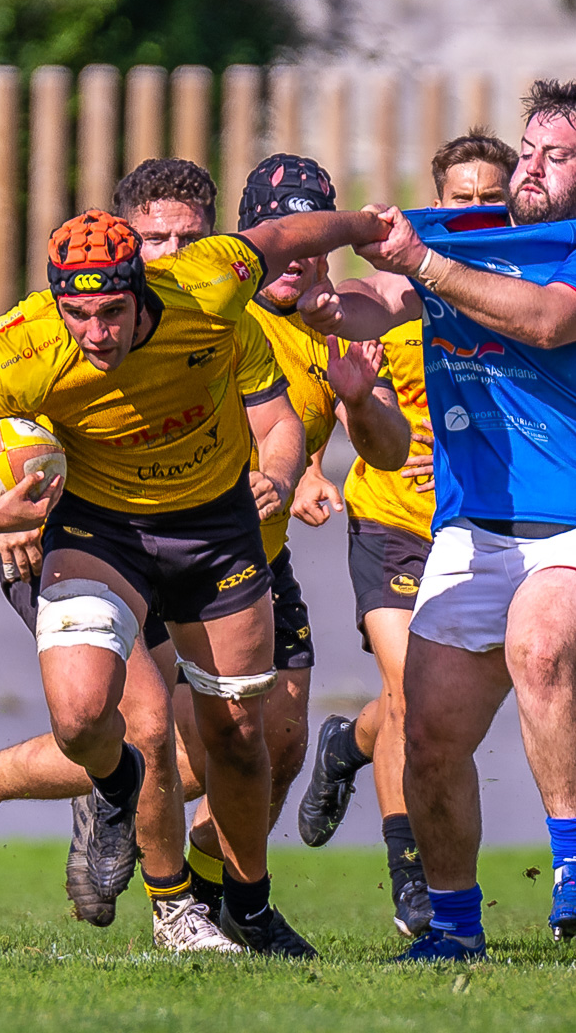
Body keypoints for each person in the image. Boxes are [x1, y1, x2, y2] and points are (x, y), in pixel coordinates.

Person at [0, 201, 383, 957]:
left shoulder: (207, 289)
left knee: (239, 736)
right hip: (101, 532)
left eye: (112, 312)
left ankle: (239, 909)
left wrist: (361, 225)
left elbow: (282, 237)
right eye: (78, 313)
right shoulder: (30, 343)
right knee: (93, 720)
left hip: (215, 532)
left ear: (142, 289)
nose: (96, 333)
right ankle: (115, 785)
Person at [302, 81, 576, 961]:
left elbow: (544, 321)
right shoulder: (460, 235)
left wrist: (420, 263)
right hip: (477, 530)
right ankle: (455, 936)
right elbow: (370, 305)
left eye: (560, 155)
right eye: (530, 149)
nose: (534, 168)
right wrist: (307, 300)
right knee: (425, 731)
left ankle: (575, 875)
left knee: (538, 646)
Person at [293, 129, 517, 939]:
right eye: (462, 195)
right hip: (388, 518)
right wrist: (312, 466)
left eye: (491, 193)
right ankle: (411, 881)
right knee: (410, 695)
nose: (477, 207)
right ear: (436, 199)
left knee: (432, 711)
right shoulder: (399, 291)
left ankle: (346, 747)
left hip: (477, 533)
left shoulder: (522, 292)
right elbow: (333, 359)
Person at [181, 155, 411, 921]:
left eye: (313, 238)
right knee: (180, 751)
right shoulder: (211, 311)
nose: (300, 258)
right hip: (175, 551)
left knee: (279, 749)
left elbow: (384, 449)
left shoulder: (335, 324)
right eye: (287, 236)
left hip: (261, 558)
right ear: (254, 238)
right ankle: (98, 807)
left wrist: (356, 410)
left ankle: (210, 898)